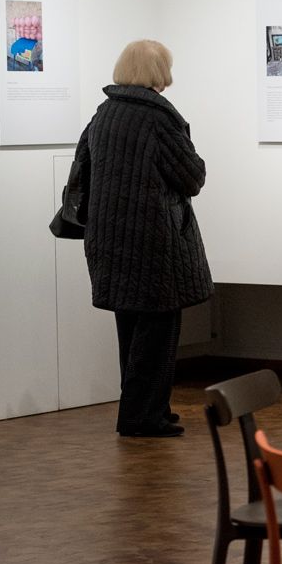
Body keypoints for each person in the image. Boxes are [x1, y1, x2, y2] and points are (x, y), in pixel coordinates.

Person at [72, 39, 213, 438]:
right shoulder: (158, 117)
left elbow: (85, 172)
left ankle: (149, 410)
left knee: (132, 332)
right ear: (158, 71)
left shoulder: (104, 113)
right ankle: (141, 417)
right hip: (152, 243)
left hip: (110, 240)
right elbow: (192, 177)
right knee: (158, 332)